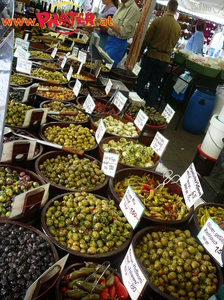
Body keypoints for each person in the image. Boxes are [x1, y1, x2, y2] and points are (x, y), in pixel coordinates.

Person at [135, 0, 181, 108]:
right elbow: (174, 44)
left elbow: (147, 39)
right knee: (155, 84)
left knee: (142, 80)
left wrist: (140, 52)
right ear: (175, 11)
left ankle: (136, 105)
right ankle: (149, 108)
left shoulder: (158, 21)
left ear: (166, 8)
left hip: (151, 55)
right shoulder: (178, 28)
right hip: (165, 60)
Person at [99, 0, 140, 67]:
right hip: (110, 41)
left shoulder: (133, 9)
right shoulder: (122, 6)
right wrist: (100, 24)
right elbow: (113, 26)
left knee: (106, 69)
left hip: (117, 44)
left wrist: (107, 22)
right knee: (102, 66)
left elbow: (123, 31)